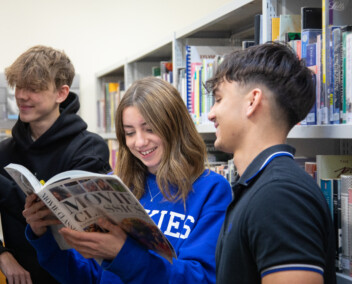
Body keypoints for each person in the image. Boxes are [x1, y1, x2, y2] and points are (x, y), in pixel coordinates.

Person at [22, 77, 232, 284]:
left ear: (174, 126)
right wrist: (43, 236)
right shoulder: (113, 186)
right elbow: (88, 276)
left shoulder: (211, 189)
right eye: (129, 132)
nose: (139, 142)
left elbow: (200, 278)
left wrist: (122, 253)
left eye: (150, 129)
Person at [0, 45, 111, 284]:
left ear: (61, 93)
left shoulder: (89, 149)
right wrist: (2, 255)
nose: (21, 95)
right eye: (19, 86)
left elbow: (58, 220)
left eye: (34, 88)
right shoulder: (4, 152)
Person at [207, 42, 336, 284]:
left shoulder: (280, 196)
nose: (211, 113)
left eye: (219, 99)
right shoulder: (261, 186)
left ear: (252, 101)